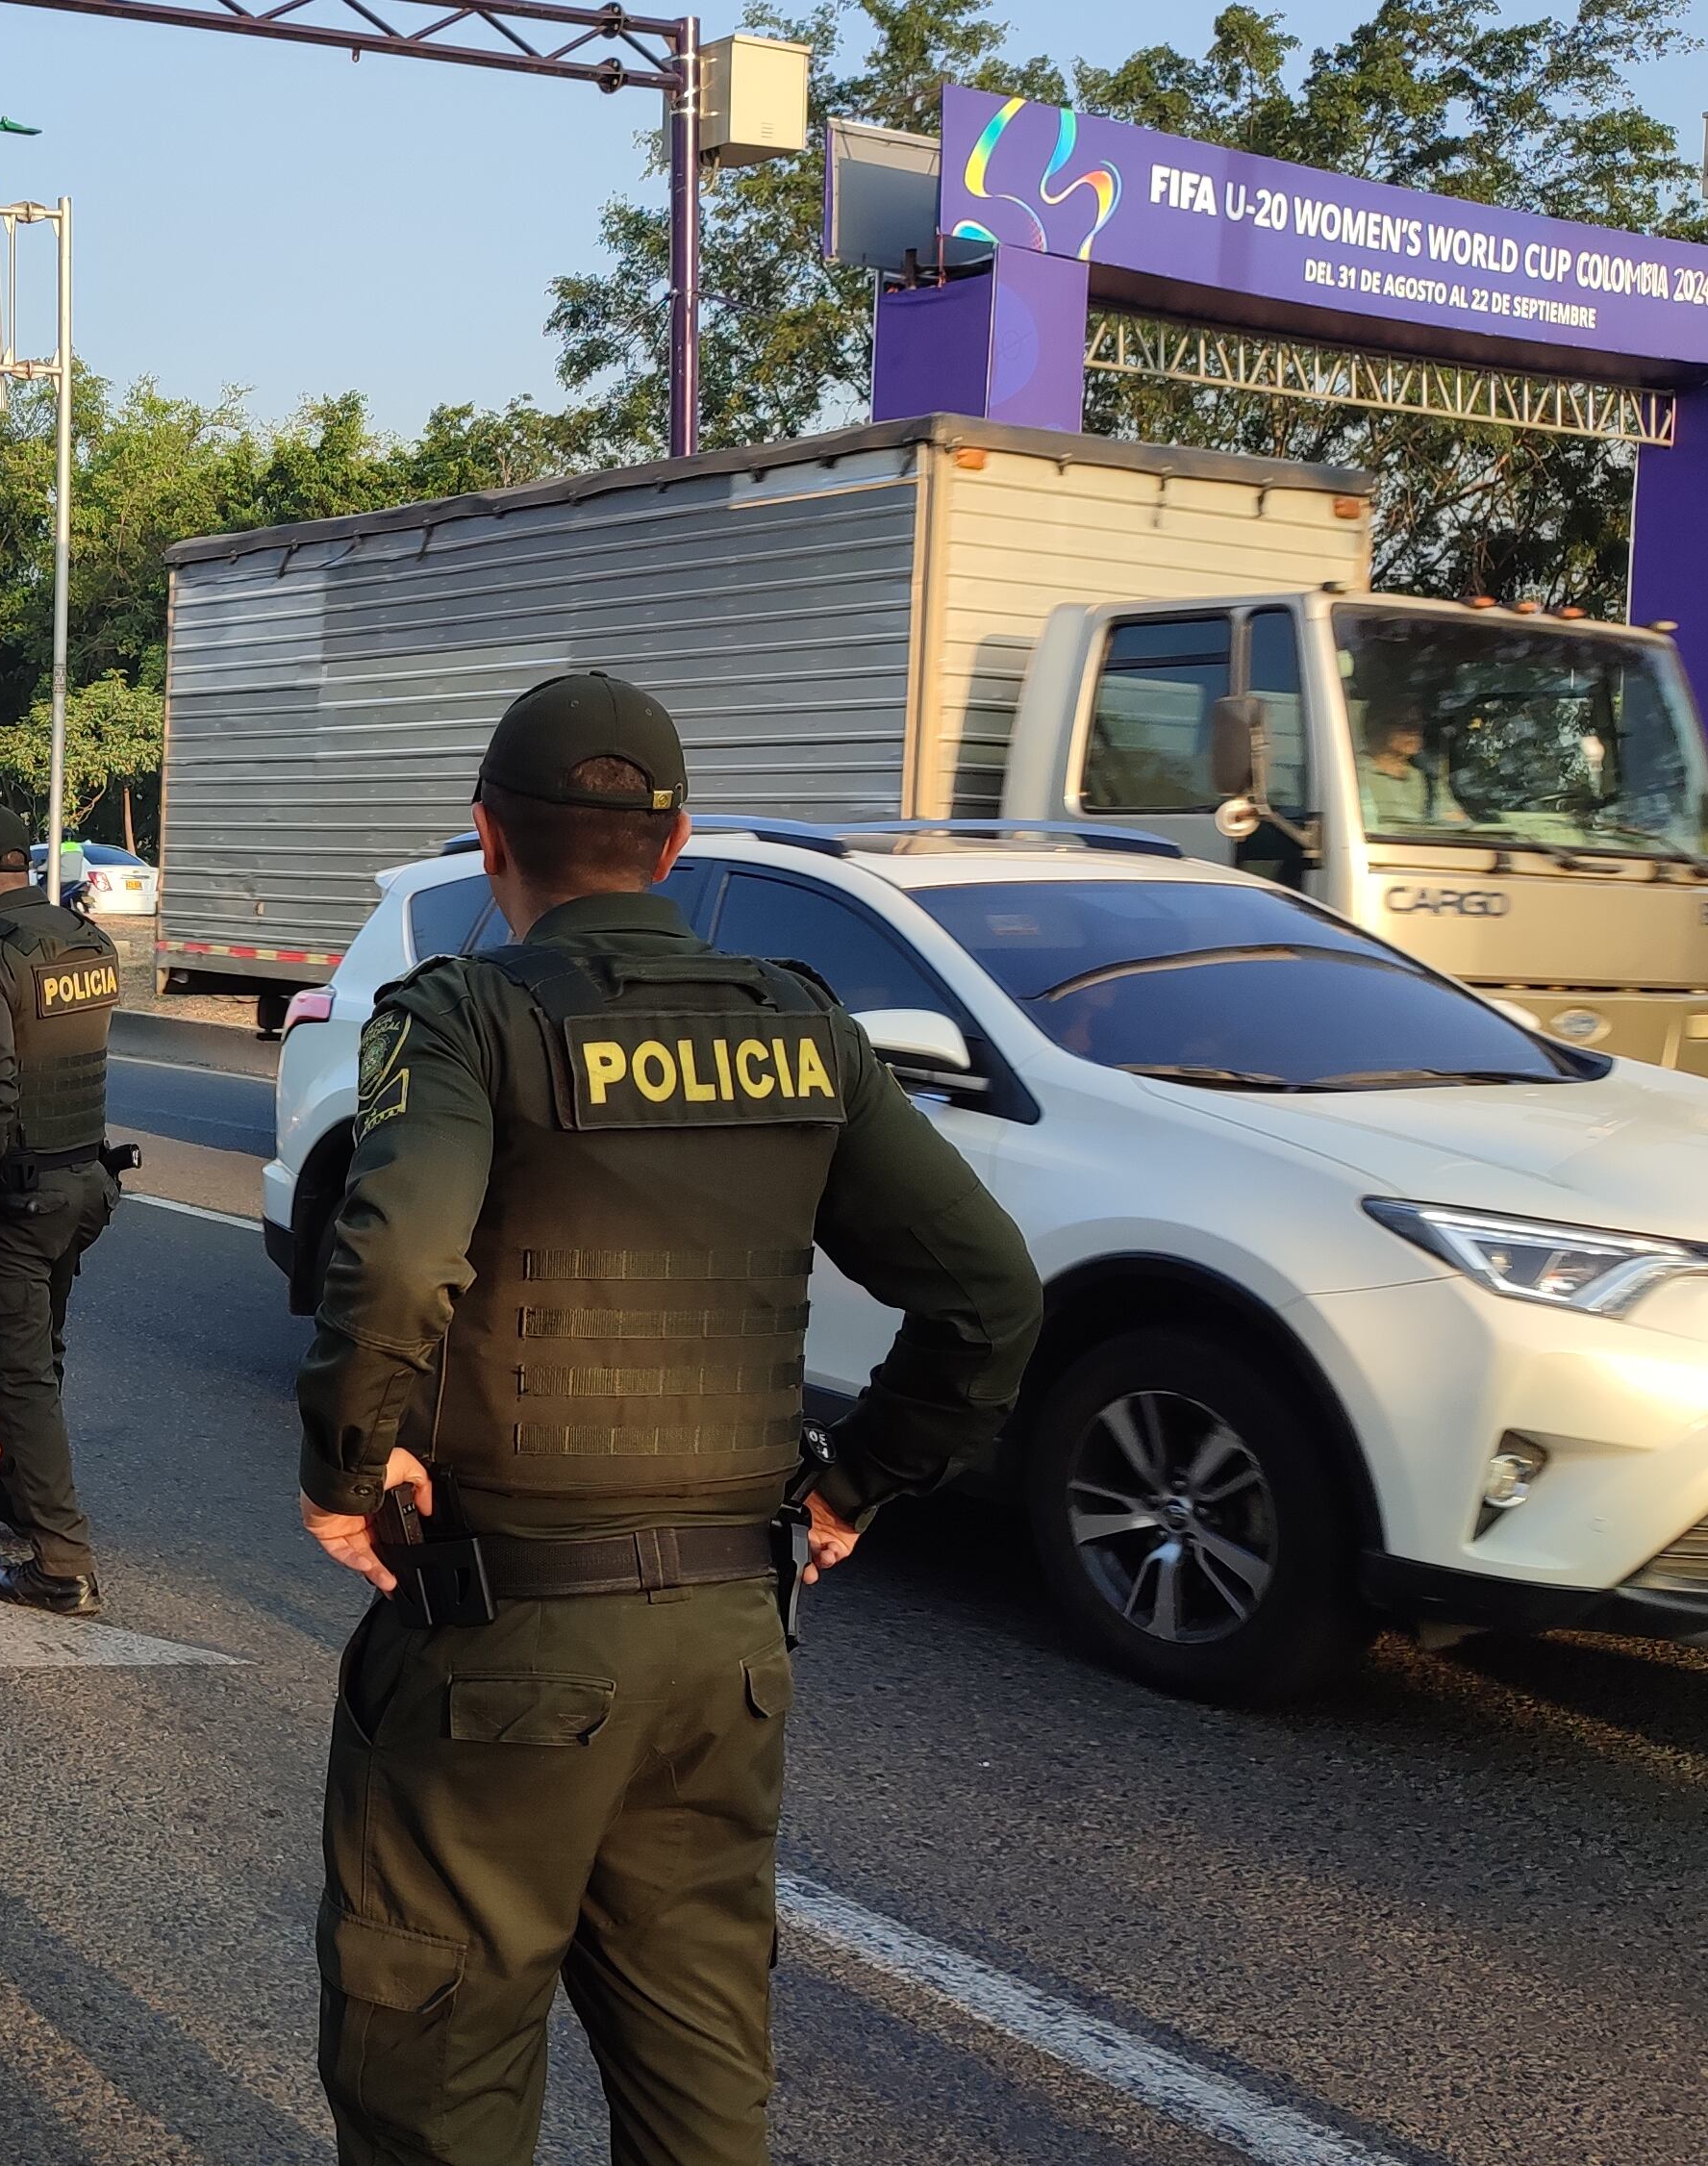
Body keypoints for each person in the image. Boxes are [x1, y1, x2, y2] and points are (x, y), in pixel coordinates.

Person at [295, 671, 1042, 2166]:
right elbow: (991, 1296)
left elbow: (392, 1258)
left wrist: (342, 1465)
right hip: (726, 1651)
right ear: (677, 842)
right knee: (701, 2085)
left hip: (502, 1640)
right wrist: (856, 1487)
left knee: (434, 2078)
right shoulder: (799, 1028)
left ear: (487, 839)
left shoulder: (459, 1016)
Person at [0, 804, 129, 1616]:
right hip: (83, 1182)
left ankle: (62, 1562)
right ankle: (18, 1489)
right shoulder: (89, 942)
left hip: (18, 1194)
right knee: (40, 1345)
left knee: (18, 1379)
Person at [1355, 715, 1470, 827]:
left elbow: (1460, 820)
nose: (1415, 731)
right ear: (1377, 728)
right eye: (1405, 723)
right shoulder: (1353, 776)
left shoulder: (1426, 777)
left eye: (1419, 723)